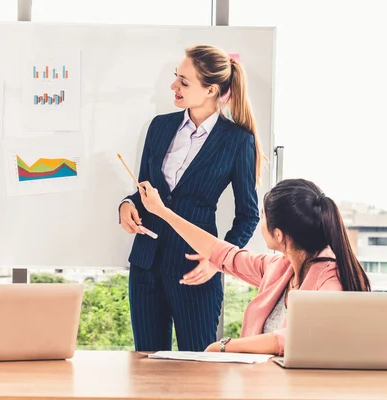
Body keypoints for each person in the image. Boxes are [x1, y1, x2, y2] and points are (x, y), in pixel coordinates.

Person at [119, 44, 262, 351]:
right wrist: (128, 204)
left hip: (196, 268)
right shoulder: (159, 127)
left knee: (201, 370)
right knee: (147, 369)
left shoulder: (237, 141)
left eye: (184, 82)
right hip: (146, 264)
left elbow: (249, 215)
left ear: (211, 89)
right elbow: (145, 188)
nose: (174, 86)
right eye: (176, 78)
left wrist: (220, 262)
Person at [138, 178, 371, 355]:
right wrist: (163, 212)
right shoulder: (280, 268)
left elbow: (293, 338)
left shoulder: (331, 283)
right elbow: (220, 251)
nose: (260, 224)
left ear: (278, 235)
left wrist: (226, 346)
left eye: (262, 217)